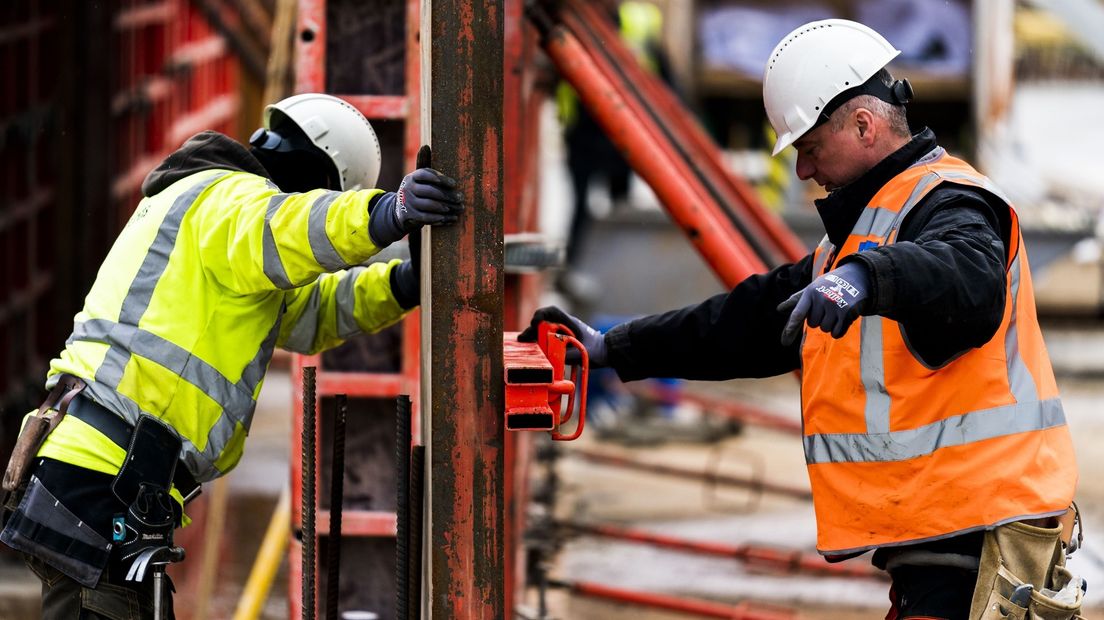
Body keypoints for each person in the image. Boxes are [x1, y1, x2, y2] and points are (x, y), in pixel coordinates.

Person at [522, 20, 1080, 620]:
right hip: (944, 540)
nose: (802, 172)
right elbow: (745, 323)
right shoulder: (861, 234)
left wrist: (865, 279)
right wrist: (612, 348)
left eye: (809, 148)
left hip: (981, 535)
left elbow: (965, 278)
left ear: (863, 125)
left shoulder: (953, 202)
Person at [0, 92, 464, 617]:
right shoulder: (228, 199)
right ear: (319, 176)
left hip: (112, 476)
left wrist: (402, 284)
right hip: (102, 473)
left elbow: (310, 314)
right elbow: (286, 228)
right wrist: (385, 213)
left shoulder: (219, 223)